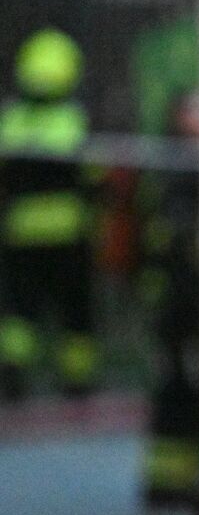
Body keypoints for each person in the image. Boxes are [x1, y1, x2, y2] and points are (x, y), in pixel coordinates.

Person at [0, 27, 98, 399]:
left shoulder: (11, 120)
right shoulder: (74, 120)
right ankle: (78, 384)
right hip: (69, 231)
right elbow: (93, 176)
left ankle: (13, 377)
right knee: (74, 311)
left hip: (21, 233)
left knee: (21, 310)